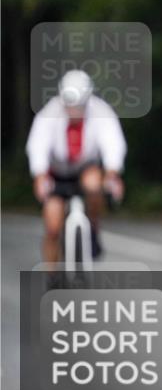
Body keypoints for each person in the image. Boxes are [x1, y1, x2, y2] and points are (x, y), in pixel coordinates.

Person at [26, 70, 126, 263]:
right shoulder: (50, 112)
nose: (73, 111)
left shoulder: (101, 111)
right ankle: (53, 276)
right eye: (69, 106)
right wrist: (39, 176)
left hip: (84, 168)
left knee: (95, 184)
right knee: (53, 227)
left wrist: (112, 173)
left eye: (78, 107)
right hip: (56, 173)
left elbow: (113, 142)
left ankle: (93, 227)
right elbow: (38, 144)